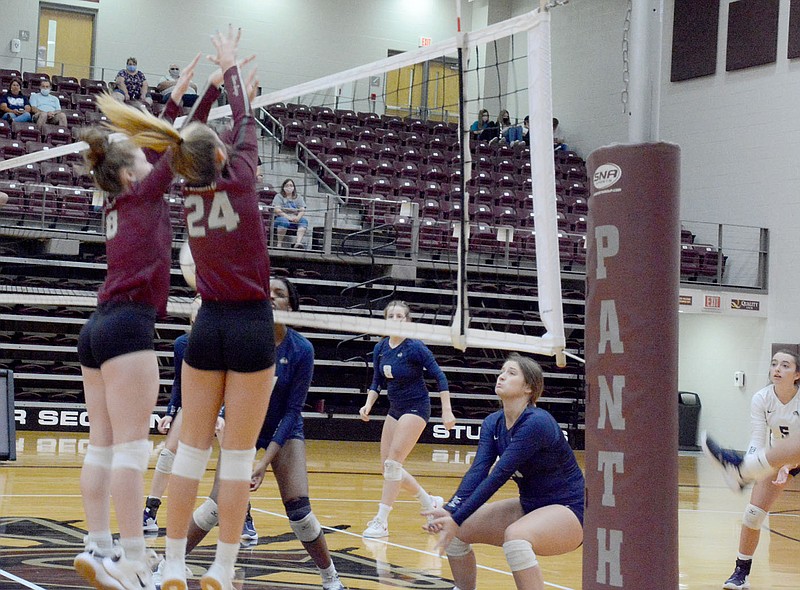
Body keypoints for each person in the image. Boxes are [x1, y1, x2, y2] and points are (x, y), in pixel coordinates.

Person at [113, 27, 275, 590]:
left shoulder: (182, 189)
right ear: (226, 154)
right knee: (235, 460)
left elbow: (187, 139)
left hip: (206, 324)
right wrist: (231, 75)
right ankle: (223, 570)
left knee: (187, 457)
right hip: (252, 323)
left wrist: (211, 84)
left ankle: (176, 565)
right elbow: (247, 120)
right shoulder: (244, 179)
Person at [71, 58, 199, 590]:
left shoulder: (117, 200)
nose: (151, 165)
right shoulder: (143, 190)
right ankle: (133, 560)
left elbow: (151, 147)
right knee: (129, 447)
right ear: (130, 172)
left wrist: (176, 95)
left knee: (102, 443)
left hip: (96, 328)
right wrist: (203, 94)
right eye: (141, 163)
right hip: (127, 329)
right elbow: (174, 145)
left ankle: (97, 547)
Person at [175, 277, 345, 590]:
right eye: (265, 294)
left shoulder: (301, 350)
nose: (270, 298)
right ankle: (168, 566)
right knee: (215, 505)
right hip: (243, 425)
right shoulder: (243, 341)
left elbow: (293, 411)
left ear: (291, 306)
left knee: (301, 513)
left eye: (279, 294)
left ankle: (330, 578)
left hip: (284, 428)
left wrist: (264, 462)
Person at [423, 354, 585, 590]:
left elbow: (498, 475)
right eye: (502, 371)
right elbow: (479, 470)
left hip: (570, 511)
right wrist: (451, 510)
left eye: (512, 373)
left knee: (515, 538)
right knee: (459, 532)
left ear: (529, 387)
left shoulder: (537, 422)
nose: (502, 376)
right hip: (530, 506)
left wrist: (455, 518)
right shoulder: (493, 422)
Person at [359, 300, 455, 538]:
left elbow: (440, 378)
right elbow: (376, 382)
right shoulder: (381, 347)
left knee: (393, 464)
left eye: (399, 316)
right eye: (390, 315)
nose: (395, 319)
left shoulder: (415, 348)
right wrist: (368, 404)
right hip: (395, 409)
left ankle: (381, 522)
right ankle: (429, 502)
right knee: (388, 468)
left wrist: (447, 411)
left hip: (416, 408)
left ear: (407, 321)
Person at [711, 350, 800, 590]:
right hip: (774, 457)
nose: (777, 369)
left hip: (791, 456)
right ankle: (741, 574)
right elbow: (757, 441)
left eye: (785, 365)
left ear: (797, 374)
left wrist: (788, 465)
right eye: (774, 364)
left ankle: (739, 472)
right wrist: (761, 466)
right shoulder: (762, 398)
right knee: (753, 514)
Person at [141, 297, 225, 534]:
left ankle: (245, 517)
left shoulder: (225, 342)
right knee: (168, 453)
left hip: (222, 404)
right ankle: (150, 512)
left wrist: (220, 413)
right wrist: (170, 412)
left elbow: (231, 383)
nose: (199, 313)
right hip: (193, 404)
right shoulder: (182, 344)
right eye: (195, 309)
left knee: (231, 459)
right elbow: (180, 381)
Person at [272, 178, 308, 249]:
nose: (289, 187)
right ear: (283, 187)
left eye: (291, 185)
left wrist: (298, 217)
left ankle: (298, 243)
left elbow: (302, 209)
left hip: (295, 218)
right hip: (282, 217)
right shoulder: (279, 196)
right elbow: (277, 210)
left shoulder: (298, 197)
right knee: (283, 221)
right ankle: (279, 244)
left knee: (304, 221)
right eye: (287, 185)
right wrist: (288, 217)